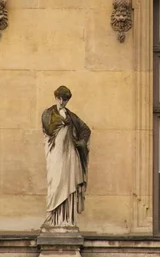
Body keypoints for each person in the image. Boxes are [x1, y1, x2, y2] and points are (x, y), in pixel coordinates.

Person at [41, 86, 91, 227]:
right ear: (56, 97)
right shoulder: (48, 113)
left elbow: (85, 129)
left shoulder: (71, 116)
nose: (62, 102)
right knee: (55, 183)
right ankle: (52, 217)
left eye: (65, 100)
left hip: (69, 156)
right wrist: (62, 122)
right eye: (60, 98)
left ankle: (67, 219)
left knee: (68, 182)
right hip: (55, 155)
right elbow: (49, 129)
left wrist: (80, 142)